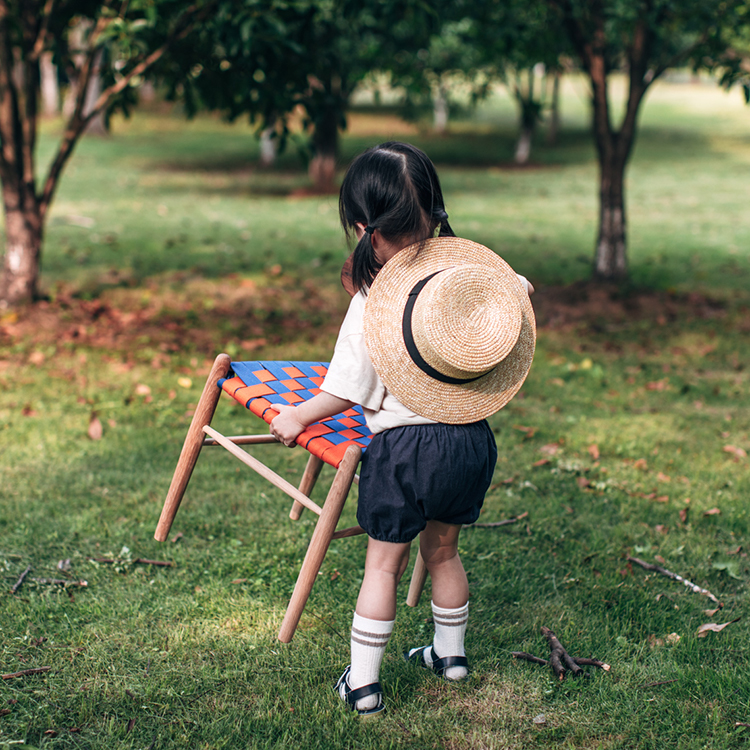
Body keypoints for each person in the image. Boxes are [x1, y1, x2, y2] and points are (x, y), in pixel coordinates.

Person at [270, 142, 535, 717]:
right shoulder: (467, 279)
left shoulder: (375, 299)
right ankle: (451, 655)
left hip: (405, 451)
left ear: (365, 227)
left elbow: (346, 388)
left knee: (383, 566)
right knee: (444, 555)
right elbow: (514, 291)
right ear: (436, 209)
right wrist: (514, 285)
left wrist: (297, 416)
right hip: (469, 443)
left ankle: (363, 684)